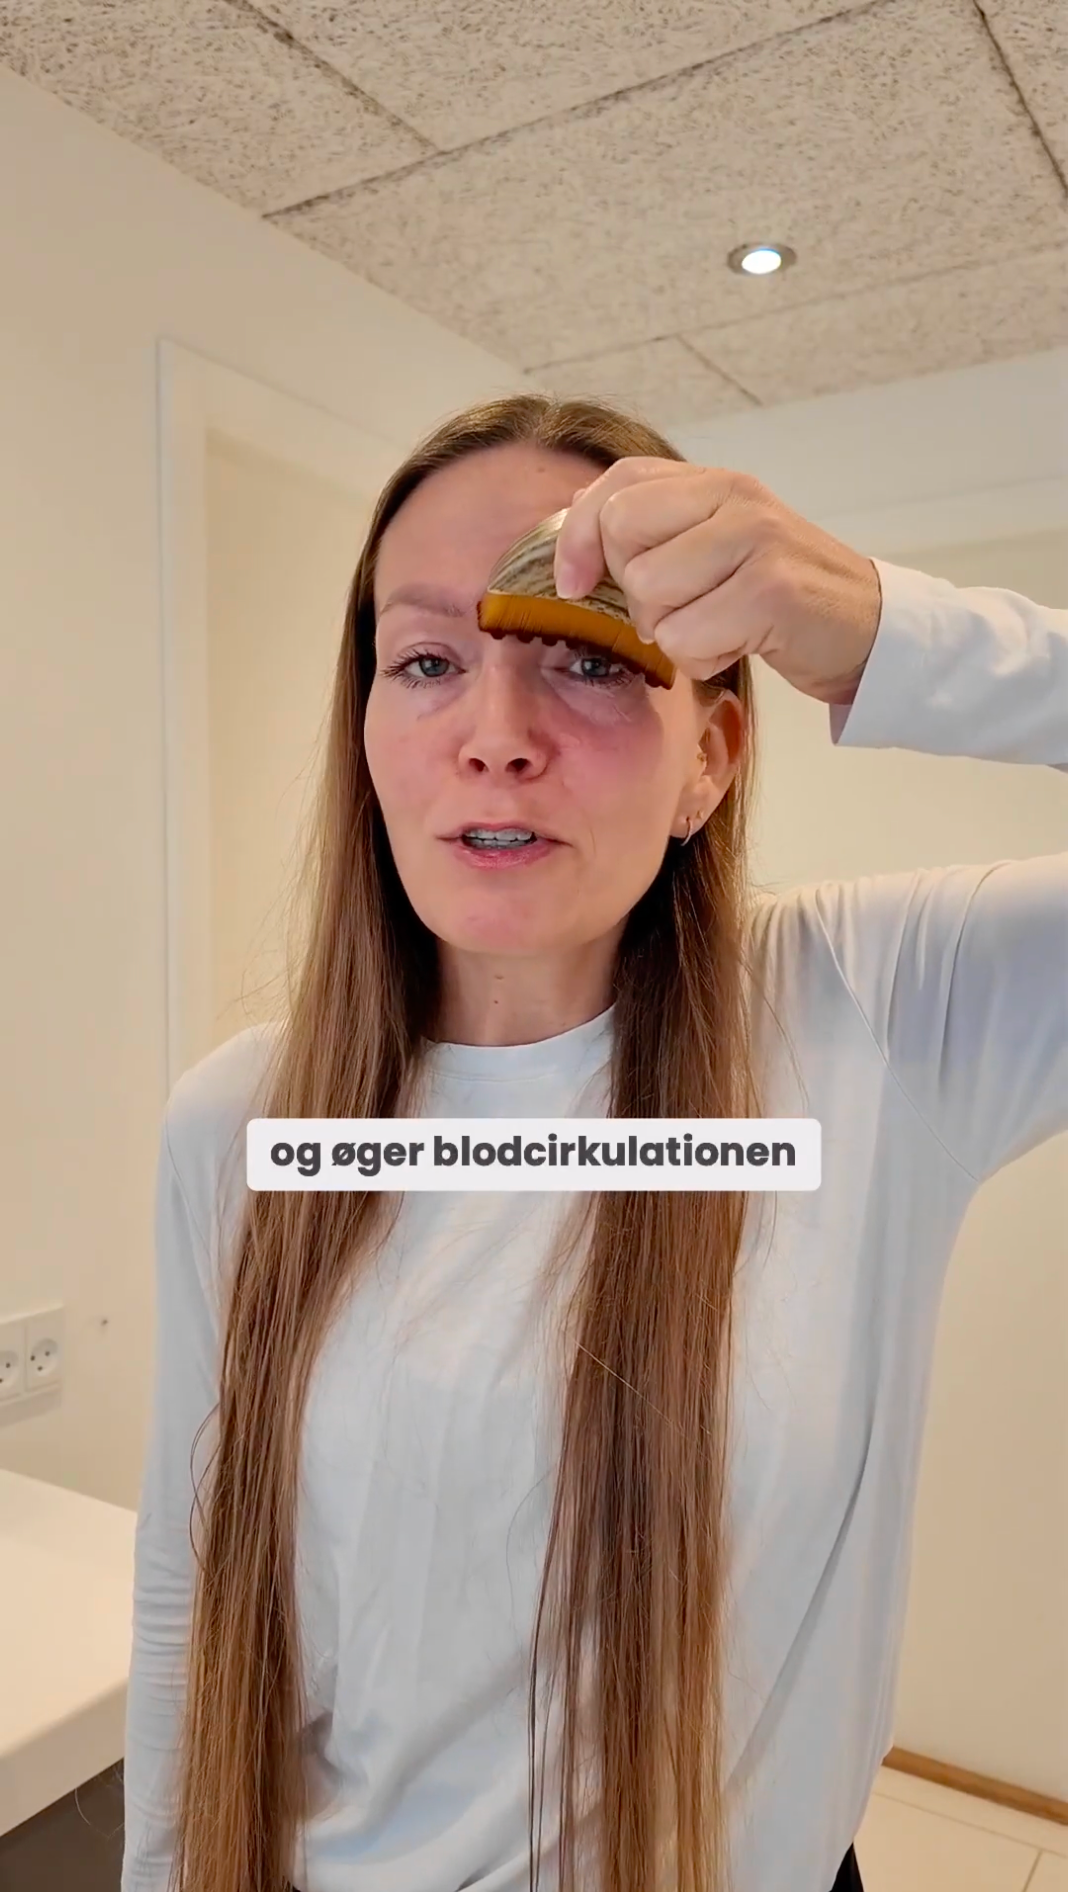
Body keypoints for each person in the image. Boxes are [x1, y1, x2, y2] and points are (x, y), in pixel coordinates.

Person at [121, 394, 1068, 1892]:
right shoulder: (245, 1126)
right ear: (365, 736)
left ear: (713, 758)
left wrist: (887, 633)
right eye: (426, 661)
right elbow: (192, 1584)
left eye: (590, 656)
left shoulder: (880, 1016)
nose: (496, 737)